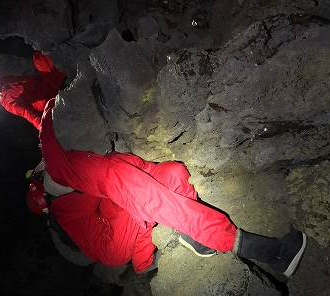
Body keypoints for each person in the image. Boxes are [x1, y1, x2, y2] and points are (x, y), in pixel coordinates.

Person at [37, 99, 307, 278]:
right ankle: (274, 253)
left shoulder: (83, 168)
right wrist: (47, 109)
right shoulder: (67, 171)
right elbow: (44, 134)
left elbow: (138, 175)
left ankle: (196, 239)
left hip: (115, 198)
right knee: (163, 206)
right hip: (116, 211)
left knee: (175, 173)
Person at [26, 157, 215, 274]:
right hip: (108, 247)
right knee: (138, 203)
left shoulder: (66, 196)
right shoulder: (60, 207)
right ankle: (144, 262)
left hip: (108, 220)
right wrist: (97, 166)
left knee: (173, 172)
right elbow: (90, 200)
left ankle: (184, 210)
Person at [0, 51, 66, 129]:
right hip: (50, 95)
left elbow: (23, 78)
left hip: (44, 82)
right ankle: (64, 80)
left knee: (38, 56)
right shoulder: (9, 104)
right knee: (50, 65)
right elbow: (29, 115)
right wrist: (44, 129)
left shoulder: (2, 81)